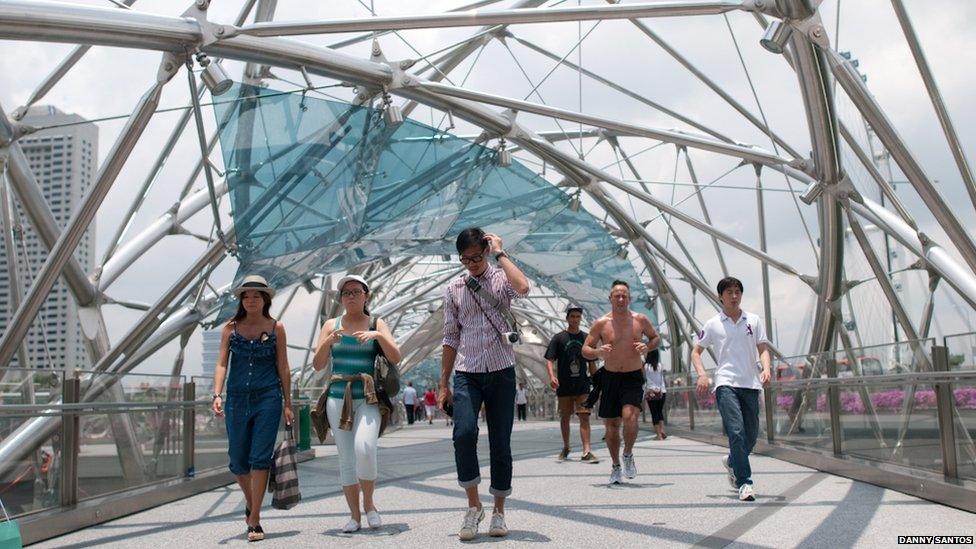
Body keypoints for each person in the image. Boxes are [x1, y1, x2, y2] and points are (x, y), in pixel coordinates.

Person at [439, 227, 529, 540]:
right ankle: (473, 505)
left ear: (487, 251)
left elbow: (524, 288)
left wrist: (502, 253)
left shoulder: (501, 279)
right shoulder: (454, 288)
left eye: (477, 258)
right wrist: (443, 383)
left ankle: (499, 511)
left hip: (502, 370)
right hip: (467, 371)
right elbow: (450, 337)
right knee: (463, 434)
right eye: (466, 260)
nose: (472, 264)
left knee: (500, 442)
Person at [313, 275, 402, 532]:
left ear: (366, 295)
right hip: (337, 398)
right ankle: (354, 516)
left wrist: (377, 336)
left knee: (365, 448)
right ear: (341, 298)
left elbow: (396, 355)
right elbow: (318, 366)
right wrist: (328, 342)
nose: (350, 296)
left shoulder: (376, 322)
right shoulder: (331, 325)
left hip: (368, 397)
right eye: (345, 293)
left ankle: (370, 504)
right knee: (346, 457)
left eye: (355, 291)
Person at [211, 275, 295, 542]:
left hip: (268, 398)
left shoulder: (276, 327)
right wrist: (216, 393)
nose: (250, 300)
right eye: (246, 296)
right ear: (241, 300)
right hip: (236, 399)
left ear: (265, 299)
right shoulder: (230, 328)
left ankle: (255, 520)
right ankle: (252, 503)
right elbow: (222, 363)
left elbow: (283, 366)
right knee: (237, 461)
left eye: (256, 296)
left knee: (259, 458)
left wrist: (288, 403)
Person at [692, 276, 771, 502]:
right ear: (720, 296)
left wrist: (766, 368)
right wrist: (702, 374)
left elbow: (763, 348)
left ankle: (732, 460)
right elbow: (696, 352)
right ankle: (745, 483)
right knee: (736, 432)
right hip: (726, 384)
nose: (734, 296)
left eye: (737, 292)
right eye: (729, 292)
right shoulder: (713, 324)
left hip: (751, 383)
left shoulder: (753, 320)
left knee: (752, 435)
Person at [582, 280, 660, 485]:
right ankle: (616, 465)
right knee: (611, 426)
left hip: (633, 376)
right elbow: (585, 349)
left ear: (629, 298)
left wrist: (647, 347)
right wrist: (598, 352)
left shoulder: (640, 320)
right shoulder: (601, 323)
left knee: (630, 416)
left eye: (624, 295)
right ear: (610, 299)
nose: (620, 298)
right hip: (609, 377)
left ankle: (627, 454)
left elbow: (655, 338)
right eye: (616, 295)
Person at [546, 305, 599, 463]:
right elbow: (549, 360)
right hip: (564, 386)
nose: (575, 319)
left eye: (577, 316)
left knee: (584, 417)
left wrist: (597, 382)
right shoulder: (559, 338)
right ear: (567, 318)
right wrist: (552, 376)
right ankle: (566, 447)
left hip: (582, 385)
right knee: (565, 418)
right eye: (572, 316)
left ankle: (586, 450)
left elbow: (591, 363)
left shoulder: (586, 338)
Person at [643, 349, 667, 440]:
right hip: (662, 392)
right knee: (659, 412)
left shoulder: (646, 366)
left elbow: (645, 378)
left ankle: (658, 435)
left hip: (651, 392)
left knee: (654, 413)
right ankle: (662, 430)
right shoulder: (660, 366)